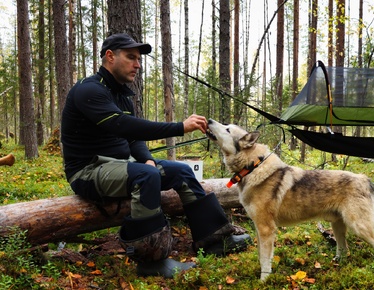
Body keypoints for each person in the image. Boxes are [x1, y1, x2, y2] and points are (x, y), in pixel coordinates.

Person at [60, 33, 251, 278]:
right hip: (88, 171)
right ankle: (151, 260)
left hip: (121, 166)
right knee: (147, 175)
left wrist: (146, 158)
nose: (137, 64)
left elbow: (133, 139)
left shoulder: (121, 95)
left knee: (181, 170)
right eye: (131, 57)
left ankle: (213, 239)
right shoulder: (89, 90)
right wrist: (179, 127)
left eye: (138, 59)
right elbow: (123, 126)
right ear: (110, 56)